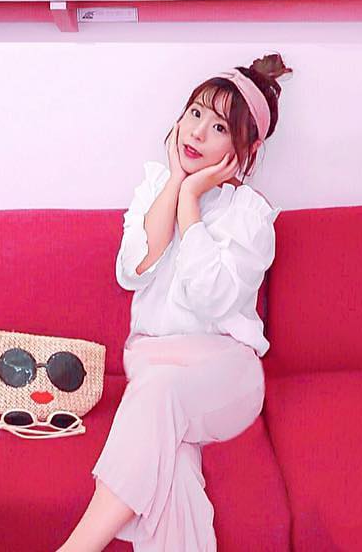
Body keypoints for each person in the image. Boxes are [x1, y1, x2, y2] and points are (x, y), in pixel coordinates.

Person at [55, 54, 292, 552]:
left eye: (219, 126)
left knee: (160, 396)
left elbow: (210, 298)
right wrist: (173, 187)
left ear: (245, 150)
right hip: (152, 367)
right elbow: (133, 270)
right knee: (172, 465)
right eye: (195, 113)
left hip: (225, 375)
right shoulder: (152, 189)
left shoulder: (251, 217)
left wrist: (191, 204)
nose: (198, 132)